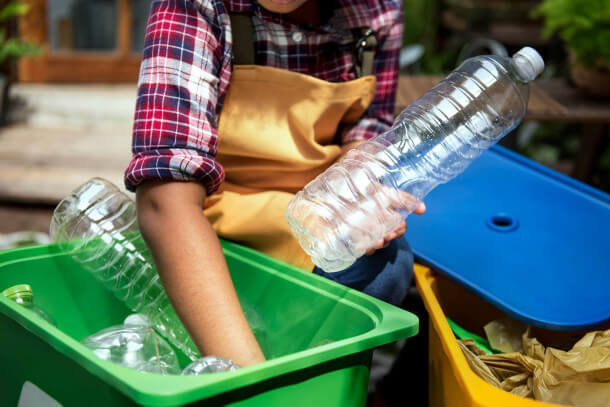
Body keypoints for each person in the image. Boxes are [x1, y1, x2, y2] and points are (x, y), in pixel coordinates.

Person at [125, 0, 425, 367]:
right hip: (212, 224)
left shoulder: (376, 11)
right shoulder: (196, 6)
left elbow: (366, 129)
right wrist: (249, 379)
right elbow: (164, 202)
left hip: (308, 219)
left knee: (388, 266)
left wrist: (357, 190)